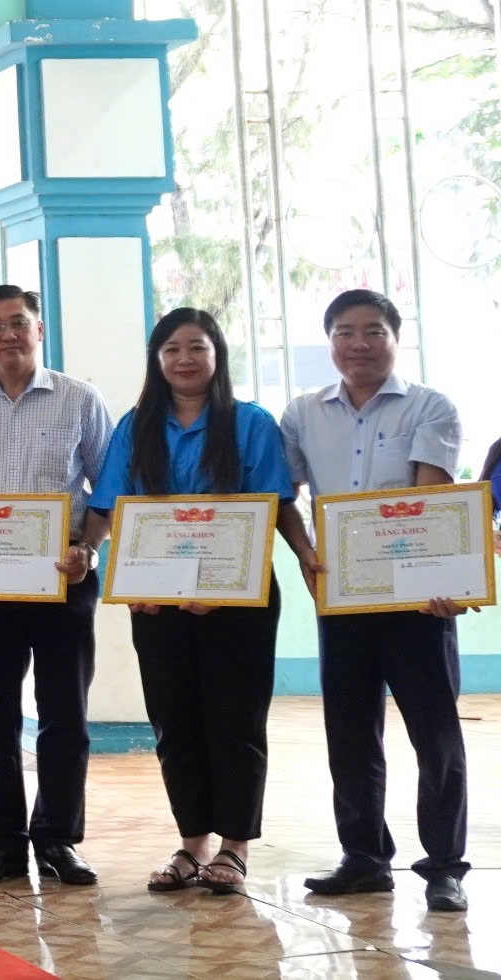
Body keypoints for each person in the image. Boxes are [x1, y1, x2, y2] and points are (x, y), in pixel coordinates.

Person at [86, 307, 309, 898]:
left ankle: (234, 847)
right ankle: (192, 844)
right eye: (171, 349)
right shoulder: (135, 427)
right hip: (156, 603)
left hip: (239, 599)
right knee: (173, 719)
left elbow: (273, 506)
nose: (184, 359)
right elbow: (109, 508)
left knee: (236, 720)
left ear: (217, 355)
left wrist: (305, 560)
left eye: (197, 347)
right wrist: (94, 558)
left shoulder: (251, 423)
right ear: (157, 360)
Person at [281, 290, 471, 913]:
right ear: (329, 341)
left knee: (435, 737)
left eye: (372, 331)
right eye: (344, 332)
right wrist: (307, 554)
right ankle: (364, 858)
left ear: (395, 336)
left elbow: (430, 502)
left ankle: (444, 867)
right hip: (342, 599)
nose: (357, 344)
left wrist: (442, 579)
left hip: (418, 604)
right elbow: (285, 496)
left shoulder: (430, 406)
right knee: (350, 734)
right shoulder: (303, 413)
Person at [0, 286, 112, 890]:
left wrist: (87, 549)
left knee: (65, 713)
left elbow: (107, 488)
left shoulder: (80, 399)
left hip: (64, 578)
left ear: (39, 328)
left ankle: (58, 839)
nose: (7, 334)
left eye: (18, 322)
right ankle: (0, 843)